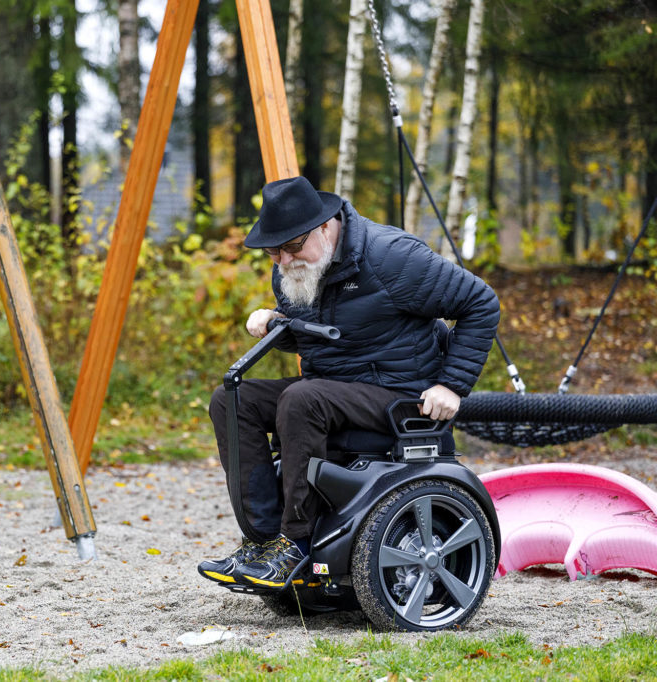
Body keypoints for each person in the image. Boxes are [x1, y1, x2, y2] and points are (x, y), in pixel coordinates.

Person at [198, 176, 500, 588]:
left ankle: (295, 545)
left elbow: (480, 302)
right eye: (273, 252)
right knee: (232, 400)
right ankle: (263, 541)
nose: (284, 261)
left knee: (303, 398)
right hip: (334, 390)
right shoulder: (294, 268)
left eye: (291, 247)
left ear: (325, 227)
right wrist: (276, 323)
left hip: (401, 394)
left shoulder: (391, 257)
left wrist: (451, 385)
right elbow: (324, 334)